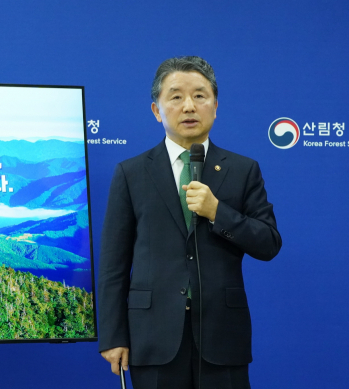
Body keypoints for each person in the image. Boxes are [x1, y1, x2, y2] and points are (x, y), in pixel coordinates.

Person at [97, 56, 281, 389]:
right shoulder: (131, 173)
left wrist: (217, 212)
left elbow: (268, 243)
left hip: (222, 337)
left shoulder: (243, 170)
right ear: (157, 110)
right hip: (152, 339)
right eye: (176, 96)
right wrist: (113, 336)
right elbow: (113, 264)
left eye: (199, 95)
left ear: (215, 106)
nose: (189, 106)